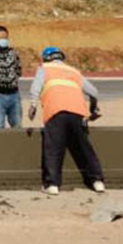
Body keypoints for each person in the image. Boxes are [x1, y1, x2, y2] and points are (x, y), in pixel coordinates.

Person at [29, 46, 105, 196]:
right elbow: (93, 92)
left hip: (55, 111)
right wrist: (93, 109)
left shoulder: (44, 68)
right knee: (85, 148)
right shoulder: (73, 71)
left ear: (45, 58)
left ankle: (52, 185)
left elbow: (35, 88)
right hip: (78, 112)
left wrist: (33, 105)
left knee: (53, 149)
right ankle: (98, 182)